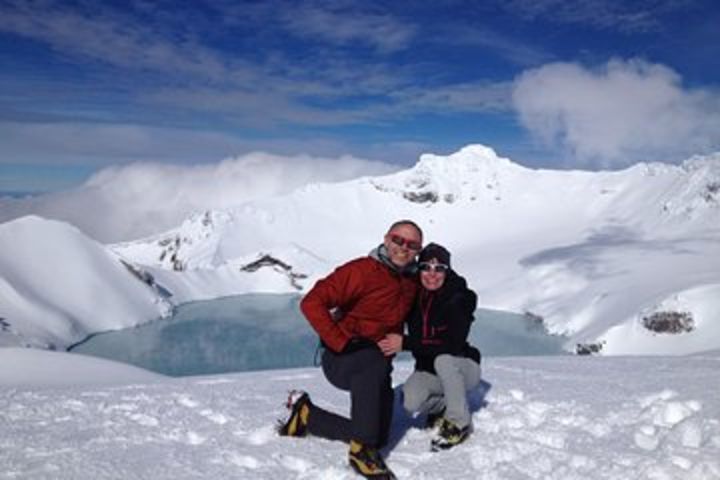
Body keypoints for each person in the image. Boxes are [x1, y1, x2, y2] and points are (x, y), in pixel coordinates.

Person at [277, 220, 423, 480]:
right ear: (386, 239)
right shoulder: (362, 271)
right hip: (342, 359)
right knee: (370, 362)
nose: (403, 248)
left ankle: (307, 414)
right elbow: (312, 302)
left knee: (378, 436)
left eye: (412, 245)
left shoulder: (410, 281)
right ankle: (360, 453)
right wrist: (342, 342)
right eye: (398, 240)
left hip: (377, 368)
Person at [378, 243, 481, 451]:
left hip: (462, 366)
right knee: (409, 401)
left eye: (439, 268)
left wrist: (405, 343)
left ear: (447, 270)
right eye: (426, 267)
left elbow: (451, 344)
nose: (432, 274)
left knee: (443, 359)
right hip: (430, 370)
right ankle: (443, 406)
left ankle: (458, 423)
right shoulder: (413, 295)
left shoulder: (459, 297)